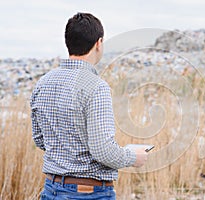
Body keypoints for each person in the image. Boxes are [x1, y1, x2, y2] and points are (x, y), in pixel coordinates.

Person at [30, 12, 148, 200]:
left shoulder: (43, 83)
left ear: (68, 42)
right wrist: (133, 157)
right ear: (99, 43)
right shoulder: (96, 86)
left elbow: (39, 139)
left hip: (51, 189)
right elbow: (103, 151)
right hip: (88, 194)